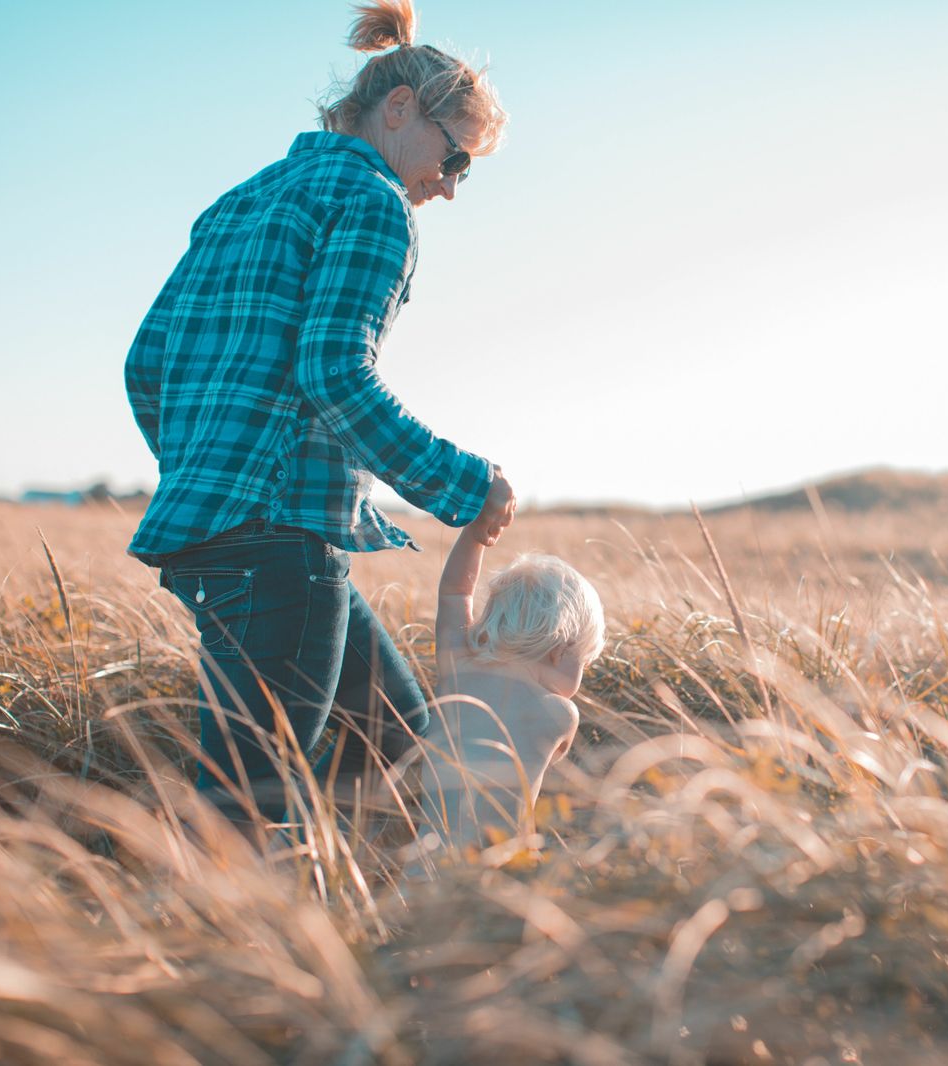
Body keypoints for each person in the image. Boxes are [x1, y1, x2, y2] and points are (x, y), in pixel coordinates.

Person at [122, 0, 513, 827]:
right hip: (279, 545)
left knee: (404, 749)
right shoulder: (376, 203)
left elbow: (145, 366)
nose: (448, 188)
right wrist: (465, 486)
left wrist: (206, 473)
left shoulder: (242, 199)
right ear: (401, 109)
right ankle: (216, 948)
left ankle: (400, 938)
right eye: (458, 161)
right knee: (248, 814)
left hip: (218, 532)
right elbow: (335, 374)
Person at [414, 522, 604, 857]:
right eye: (583, 663)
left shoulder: (458, 669)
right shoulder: (560, 713)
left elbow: (456, 592)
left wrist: (476, 536)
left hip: (424, 859)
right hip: (496, 866)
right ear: (559, 651)